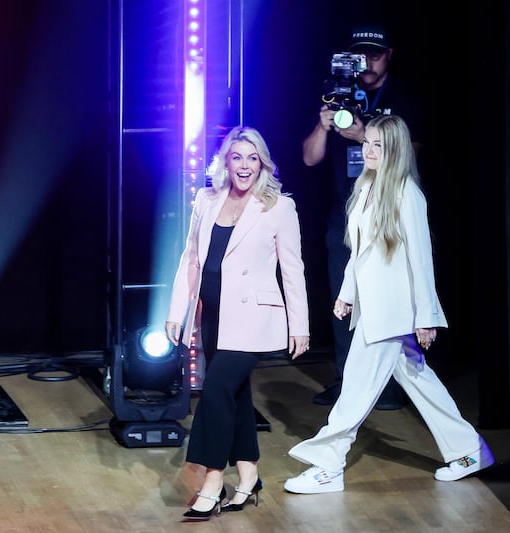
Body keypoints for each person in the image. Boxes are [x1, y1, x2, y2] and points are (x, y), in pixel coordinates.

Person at [284, 114, 493, 494]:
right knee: (419, 380)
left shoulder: (406, 194)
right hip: (373, 308)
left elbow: (421, 259)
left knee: (357, 388)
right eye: (367, 142)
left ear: (394, 149)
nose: (368, 150)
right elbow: (360, 253)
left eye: (378, 145)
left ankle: (328, 464)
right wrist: (347, 294)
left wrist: (426, 316)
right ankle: (468, 450)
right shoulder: (365, 188)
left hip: (392, 312)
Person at [165, 126, 310, 520]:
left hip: (253, 319)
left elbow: (292, 269)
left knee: (214, 392)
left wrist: (301, 326)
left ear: (262, 162)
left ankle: (213, 479)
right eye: (237, 157)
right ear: (226, 161)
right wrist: (177, 312)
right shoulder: (207, 199)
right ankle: (249, 475)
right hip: (212, 314)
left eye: (252, 158)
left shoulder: (278, 206)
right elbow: (191, 258)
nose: (244, 166)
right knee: (235, 396)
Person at [304, 23, 422, 409]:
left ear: (389, 55)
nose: (368, 61)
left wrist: (361, 134)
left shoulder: (403, 96)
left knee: (388, 300)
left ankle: (391, 385)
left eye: (375, 53)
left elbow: (414, 154)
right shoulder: (340, 95)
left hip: (389, 214)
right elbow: (309, 157)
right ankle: (347, 380)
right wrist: (326, 126)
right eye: (360, 54)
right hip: (346, 214)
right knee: (343, 299)